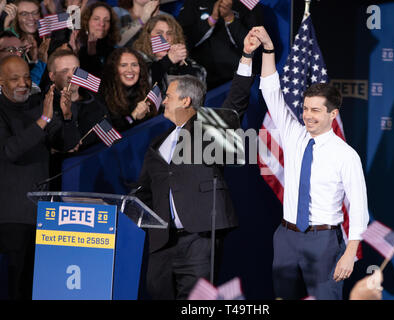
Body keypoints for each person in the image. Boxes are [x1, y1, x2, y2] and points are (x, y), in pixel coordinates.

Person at [135, 31, 260, 299]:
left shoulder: (208, 131)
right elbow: (142, 191)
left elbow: (236, 100)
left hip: (199, 238)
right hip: (161, 243)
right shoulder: (157, 142)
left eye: (168, 96)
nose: (163, 100)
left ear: (186, 101)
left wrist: (247, 56)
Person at [252, 26, 369, 300]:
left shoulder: (346, 155)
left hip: (324, 241)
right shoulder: (294, 134)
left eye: (315, 110)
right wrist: (268, 50)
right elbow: (271, 91)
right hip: (286, 237)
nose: (307, 115)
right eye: (305, 108)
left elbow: (359, 207)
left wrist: (350, 253)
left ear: (333, 114)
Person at [0, 55, 58, 299]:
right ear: (1, 82)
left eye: (26, 76)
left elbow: (64, 142)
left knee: (38, 289)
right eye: (14, 79)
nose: (23, 83)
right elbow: (9, 151)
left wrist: (63, 115)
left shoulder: (38, 104)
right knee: (14, 288)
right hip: (12, 219)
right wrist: (43, 120)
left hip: (44, 216)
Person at [177, 0, 262, 90]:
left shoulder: (249, 3)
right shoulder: (192, 3)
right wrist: (211, 20)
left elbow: (253, 46)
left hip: (238, 78)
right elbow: (182, 41)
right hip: (202, 81)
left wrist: (230, 18)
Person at [46, 48, 111, 152]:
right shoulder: (46, 107)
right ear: (52, 76)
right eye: (64, 71)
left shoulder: (95, 102)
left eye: (75, 70)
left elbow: (109, 137)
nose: (72, 76)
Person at [133, 14, 206, 95]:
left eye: (169, 33)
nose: (165, 38)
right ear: (148, 37)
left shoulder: (182, 61)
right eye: (159, 33)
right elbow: (146, 82)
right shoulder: (138, 59)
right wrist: (167, 61)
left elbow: (200, 80)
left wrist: (182, 66)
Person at [101, 47, 155, 132]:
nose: (130, 70)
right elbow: (114, 134)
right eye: (123, 65)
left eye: (134, 65)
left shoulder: (144, 90)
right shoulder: (105, 96)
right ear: (114, 69)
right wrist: (133, 116)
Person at [72, 2, 120, 77]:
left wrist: (92, 53)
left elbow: (103, 82)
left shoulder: (116, 54)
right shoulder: (76, 47)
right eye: (96, 19)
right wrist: (74, 54)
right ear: (87, 22)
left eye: (106, 20)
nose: (102, 24)